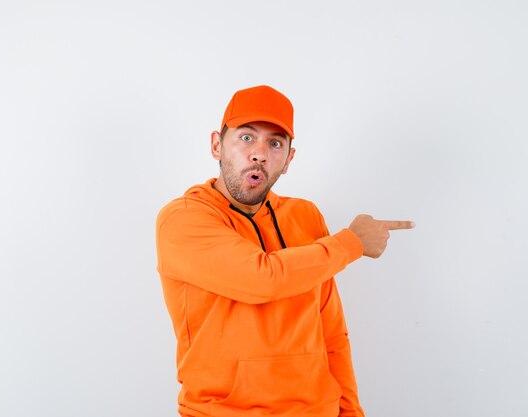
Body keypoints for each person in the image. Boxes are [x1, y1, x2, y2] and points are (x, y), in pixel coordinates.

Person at [156, 85, 414, 417]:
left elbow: (331, 331)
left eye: (275, 143)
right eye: (246, 138)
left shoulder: (305, 215)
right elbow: (262, 278)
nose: (259, 153)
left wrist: (351, 411)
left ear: (289, 159)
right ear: (217, 145)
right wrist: (353, 242)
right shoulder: (183, 219)